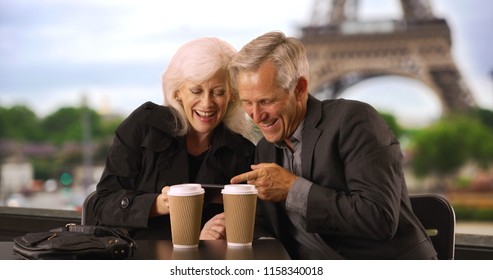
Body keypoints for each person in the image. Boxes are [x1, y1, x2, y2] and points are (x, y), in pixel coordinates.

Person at [229, 31, 437, 259]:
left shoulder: (355, 120)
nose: (256, 116)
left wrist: (292, 189)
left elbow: (379, 219)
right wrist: (230, 224)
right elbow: (280, 226)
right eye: (247, 103)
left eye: (266, 101)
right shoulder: (265, 149)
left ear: (299, 89)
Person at [92, 37, 257, 240]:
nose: (207, 103)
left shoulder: (243, 152)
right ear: (178, 92)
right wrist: (158, 204)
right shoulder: (144, 125)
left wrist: (220, 230)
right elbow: (102, 204)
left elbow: (252, 220)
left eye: (218, 92)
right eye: (196, 90)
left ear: (232, 95)